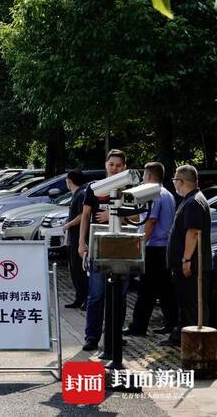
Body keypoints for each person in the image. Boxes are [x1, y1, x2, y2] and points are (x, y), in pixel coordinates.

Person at [78, 149, 130, 351]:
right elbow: (85, 216)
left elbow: (136, 218)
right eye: (111, 164)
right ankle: (92, 337)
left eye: (118, 165)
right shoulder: (94, 188)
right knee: (97, 294)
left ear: (124, 167)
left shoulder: (130, 189)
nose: (114, 168)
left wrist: (115, 216)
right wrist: (82, 243)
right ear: (106, 165)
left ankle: (115, 334)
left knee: (120, 295)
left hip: (123, 249)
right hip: (98, 247)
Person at [123, 162, 177, 337]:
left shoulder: (153, 194)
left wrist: (141, 244)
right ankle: (172, 324)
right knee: (165, 289)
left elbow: (150, 221)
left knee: (146, 290)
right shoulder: (167, 193)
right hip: (164, 248)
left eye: (144, 176)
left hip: (153, 248)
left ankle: (138, 327)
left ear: (148, 176)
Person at [161, 165, 213, 347]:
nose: (174, 183)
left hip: (193, 264)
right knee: (185, 301)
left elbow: (192, 233)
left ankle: (194, 341)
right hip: (190, 263)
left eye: (175, 180)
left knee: (191, 303)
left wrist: (186, 259)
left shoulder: (193, 202)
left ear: (181, 181)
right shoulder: (192, 199)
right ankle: (182, 336)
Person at [62, 170, 88, 310]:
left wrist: (69, 224)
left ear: (70, 181)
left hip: (78, 239)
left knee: (80, 271)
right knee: (74, 271)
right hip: (73, 238)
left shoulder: (81, 194)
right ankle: (79, 298)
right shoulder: (77, 194)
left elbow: (83, 214)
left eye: (66, 180)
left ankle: (85, 299)